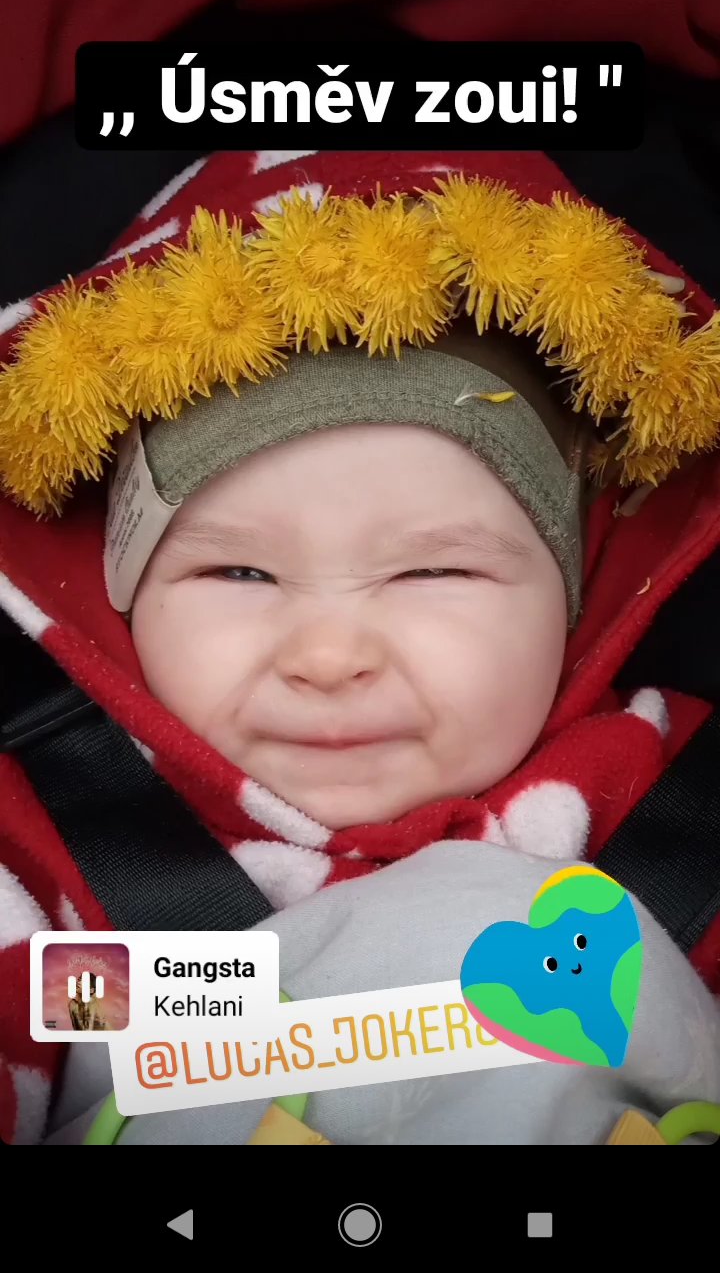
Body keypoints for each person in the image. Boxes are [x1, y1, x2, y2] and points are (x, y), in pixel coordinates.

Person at [1, 149, 719, 1145]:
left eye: (432, 572)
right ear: (117, 604)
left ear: (578, 600)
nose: (328, 656)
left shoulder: (681, 814)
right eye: (238, 573)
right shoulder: (50, 850)